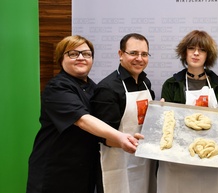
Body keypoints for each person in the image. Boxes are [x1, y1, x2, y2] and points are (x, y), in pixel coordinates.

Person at [27, 35, 143, 193]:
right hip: (56, 170)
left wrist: (131, 142)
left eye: (86, 54)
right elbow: (82, 120)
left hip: (84, 170)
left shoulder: (94, 88)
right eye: (73, 54)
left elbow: (102, 134)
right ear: (61, 58)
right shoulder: (57, 87)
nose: (81, 58)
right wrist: (121, 137)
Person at [158, 30, 218, 193]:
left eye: (202, 49)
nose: (196, 53)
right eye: (192, 48)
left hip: (211, 158)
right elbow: (168, 125)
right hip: (178, 159)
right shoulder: (171, 85)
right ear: (185, 52)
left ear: (208, 55)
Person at [90, 33, 156, 193]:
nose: (139, 59)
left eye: (144, 54)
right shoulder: (107, 89)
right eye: (133, 53)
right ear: (121, 54)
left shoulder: (145, 83)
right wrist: (128, 142)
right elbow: (103, 137)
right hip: (118, 162)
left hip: (144, 160)